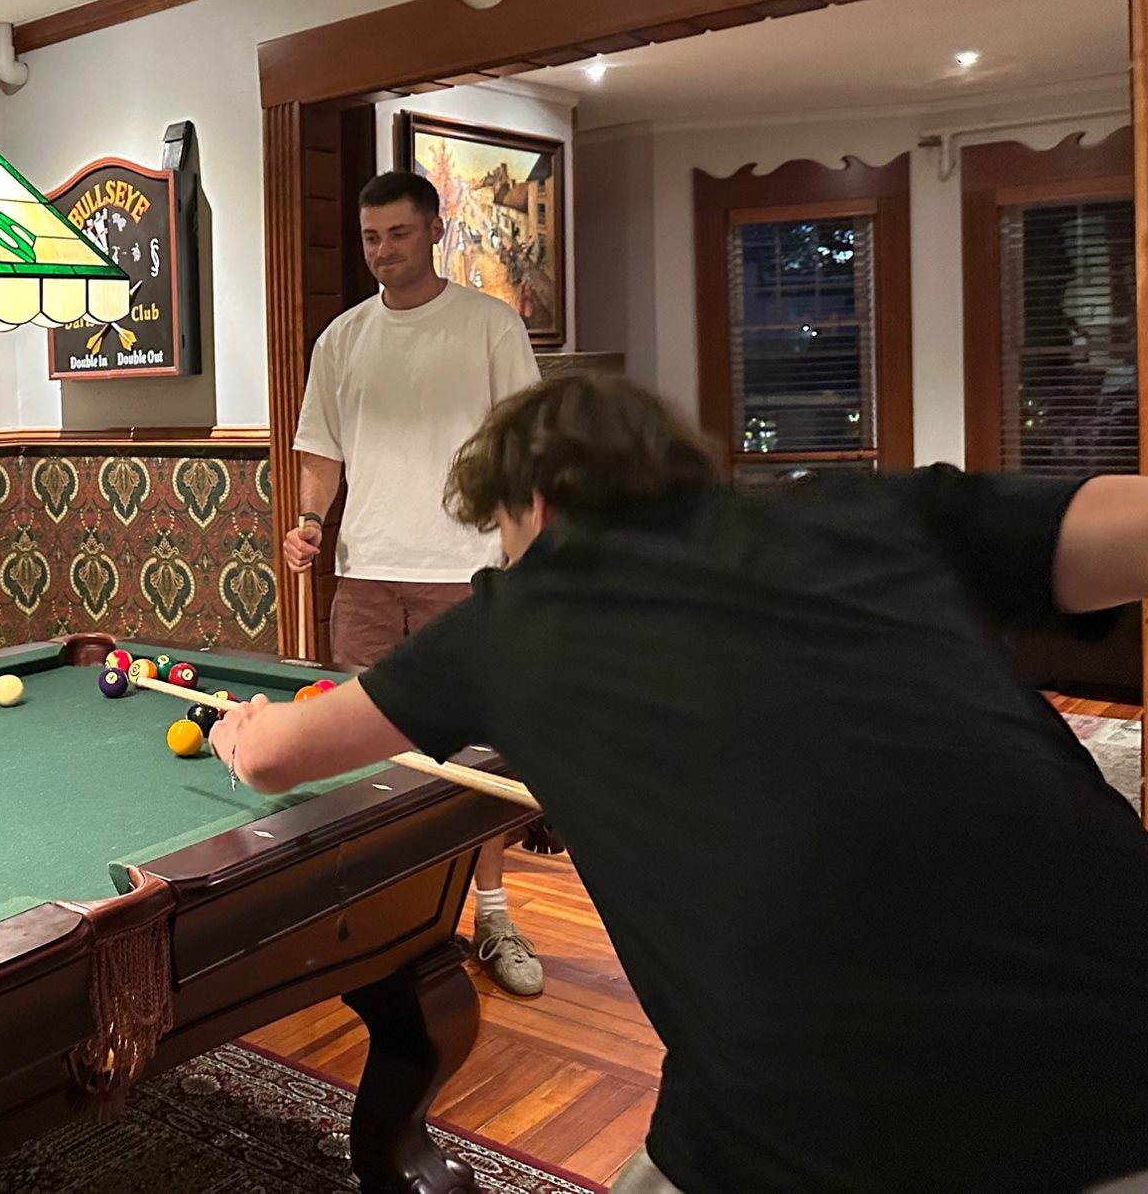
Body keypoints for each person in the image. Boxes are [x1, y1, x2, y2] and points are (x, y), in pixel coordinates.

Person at [212, 373, 1148, 1194]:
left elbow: (275, 759)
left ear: (535, 504)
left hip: (816, 1137)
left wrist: (243, 727)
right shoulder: (872, 511)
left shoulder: (521, 614)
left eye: (500, 533)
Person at [288, 168, 546, 994]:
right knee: (361, 751)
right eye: (370, 237)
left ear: (435, 230)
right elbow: (322, 448)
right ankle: (377, 920)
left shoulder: (490, 326)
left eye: (399, 233)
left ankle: (493, 915)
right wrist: (311, 521)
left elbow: (523, 453)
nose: (383, 250)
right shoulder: (342, 339)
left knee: (476, 756)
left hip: (466, 575)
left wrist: (529, 561)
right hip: (366, 576)